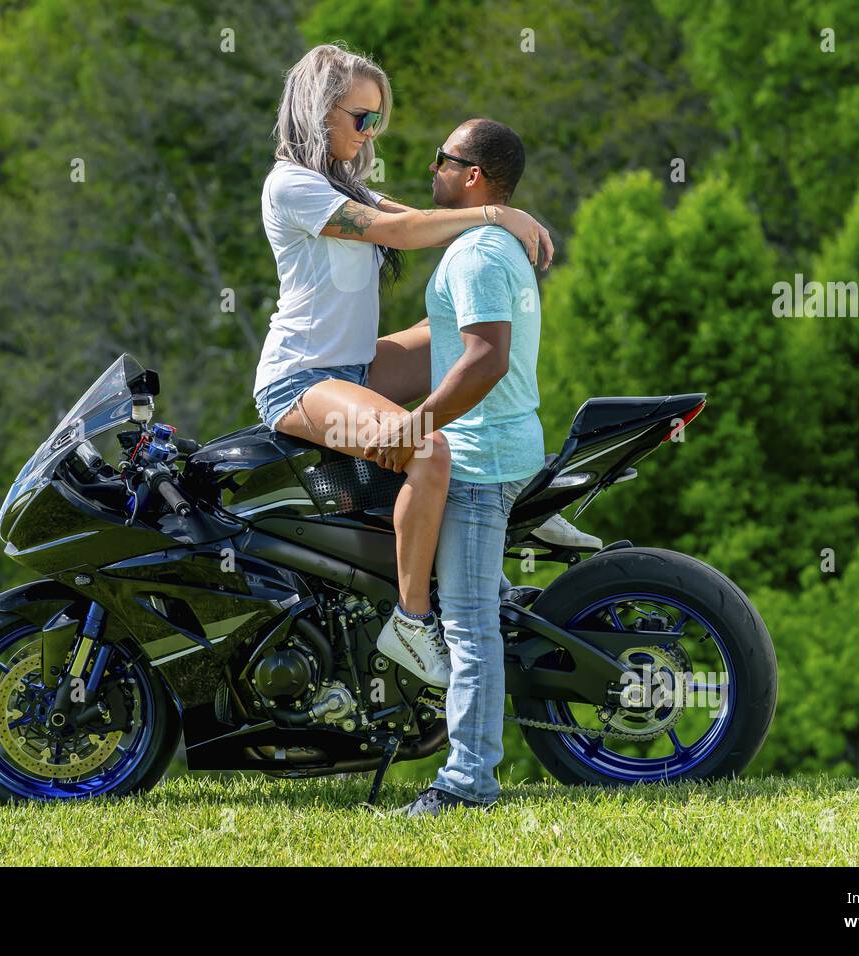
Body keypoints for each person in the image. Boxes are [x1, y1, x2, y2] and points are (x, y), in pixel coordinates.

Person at [254, 44, 552, 687]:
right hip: (301, 383)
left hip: (356, 368)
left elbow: (426, 222)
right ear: (317, 112)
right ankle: (413, 624)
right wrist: (499, 212)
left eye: (376, 121)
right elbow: (409, 231)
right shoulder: (295, 187)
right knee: (428, 449)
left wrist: (495, 232)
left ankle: (517, 488)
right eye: (361, 118)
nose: (370, 134)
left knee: (464, 340)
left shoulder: (343, 185)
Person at [365, 118, 545, 816]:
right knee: (475, 609)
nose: (430, 169)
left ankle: (468, 784)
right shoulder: (492, 242)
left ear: (473, 175)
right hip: (500, 444)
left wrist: (417, 425)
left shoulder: (475, 254)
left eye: (443, 160)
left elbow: (485, 357)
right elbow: (439, 341)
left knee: (469, 626)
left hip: (478, 457)